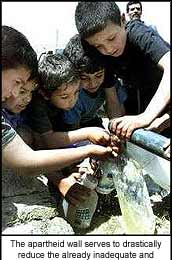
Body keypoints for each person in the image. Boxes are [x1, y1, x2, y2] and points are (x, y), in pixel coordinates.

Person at [2, 25, 118, 179]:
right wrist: (87, 150)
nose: (15, 94)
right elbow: (27, 159)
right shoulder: (37, 108)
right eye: (17, 83)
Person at [23, 52, 121, 204]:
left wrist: (72, 166)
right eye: (65, 97)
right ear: (45, 93)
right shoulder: (38, 106)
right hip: (32, 143)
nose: (72, 101)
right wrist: (87, 133)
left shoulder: (61, 100)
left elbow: (65, 136)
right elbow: (47, 142)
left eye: (76, 93)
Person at [75, 2, 170, 140]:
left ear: (123, 20)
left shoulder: (138, 33)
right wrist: (116, 137)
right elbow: (111, 97)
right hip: (145, 101)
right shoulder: (102, 55)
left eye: (112, 38)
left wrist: (146, 117)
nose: (108, 49)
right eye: (98, 45)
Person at [63, 34, 126, 130]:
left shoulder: (109, 80)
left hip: (92, 121)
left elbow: (118, 118)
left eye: (99, 75)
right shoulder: (71, 94)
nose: (93, 84)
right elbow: (74, 130)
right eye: (84, 77)